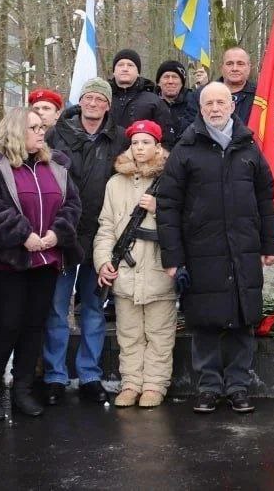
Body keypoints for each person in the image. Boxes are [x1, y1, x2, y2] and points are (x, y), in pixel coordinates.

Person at [157, 82, 274, 414]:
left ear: (231, 106)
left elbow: (265, 198)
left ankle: (238, 386)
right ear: (200, 108)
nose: (215, 108)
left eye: (220, 102)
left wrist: (270, 243)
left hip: (243, 248)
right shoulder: (186, 148)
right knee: (205, 321)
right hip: (201, 250)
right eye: (208, 103)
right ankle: (209, 387)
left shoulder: (249, 146)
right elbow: (168, 205)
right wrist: (172, 256)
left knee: (242, 319)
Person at [0, 108, 83, 422]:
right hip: (8, 261)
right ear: (15, 131)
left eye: (41, 127)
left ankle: (22, 389)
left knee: (34, 326)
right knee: (6, 325)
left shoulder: (56, 164)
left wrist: (56, 234)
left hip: (46, 259)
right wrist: (24, 235)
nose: (41, 132)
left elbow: (72, 204)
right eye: (33, 127)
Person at [44, 77, 119, 406]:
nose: (93, 103)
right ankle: (54, 375)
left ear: (108, 105)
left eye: (100, 99)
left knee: (93, 307)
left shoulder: (117, 138)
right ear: (80, 101)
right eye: (88, 97)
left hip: (100, 234)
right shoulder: (56, 135)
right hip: (63, 234)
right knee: (57, 308)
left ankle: (90, 374)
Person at [96, 120, 176, 408]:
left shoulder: (170, 181)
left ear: (158, 146)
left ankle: (154, 384)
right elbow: (106, 227)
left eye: (146, 142)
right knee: (128, 335)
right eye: (135, 143)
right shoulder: (115, 183)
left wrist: (159, 209)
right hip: (125, 273)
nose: (140, 148)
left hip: (157, 271)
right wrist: (103, 262)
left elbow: (183, 222)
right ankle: (130, 383)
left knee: (159, 334)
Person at [109, 49, 175, 140]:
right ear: (114, 71)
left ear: (138, 72)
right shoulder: (102, 99)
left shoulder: (154, 101)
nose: (125, 69)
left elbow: (166, 138)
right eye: (120, 65)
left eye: (130, 65)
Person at [155, 60, 195, 145]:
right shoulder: (150, 103)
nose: (170, 81)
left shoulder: (193, 103)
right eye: (166, 77)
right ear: (158, 82)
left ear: (182, 83)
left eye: (175, 77)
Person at [217, 47, 257, 124]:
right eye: (229, 64)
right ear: (221, 67)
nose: (235, 68)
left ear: (249, 68)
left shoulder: (260, 96)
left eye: (240, 64)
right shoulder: (203, 94)